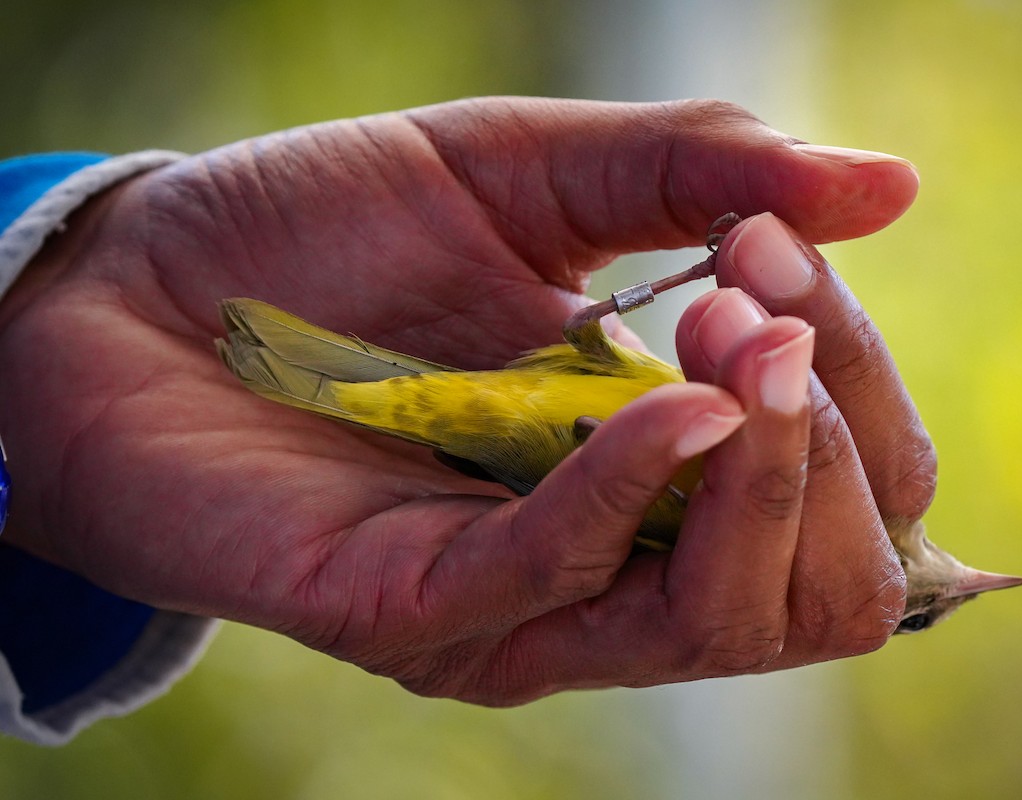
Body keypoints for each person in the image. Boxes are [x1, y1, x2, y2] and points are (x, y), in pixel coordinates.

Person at [0, 97, 934, 745]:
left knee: (419, 398)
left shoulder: (764, 540)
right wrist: (82, 279)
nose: (940, 576)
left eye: (927, 601)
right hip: (547, 397)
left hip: (536, 435)